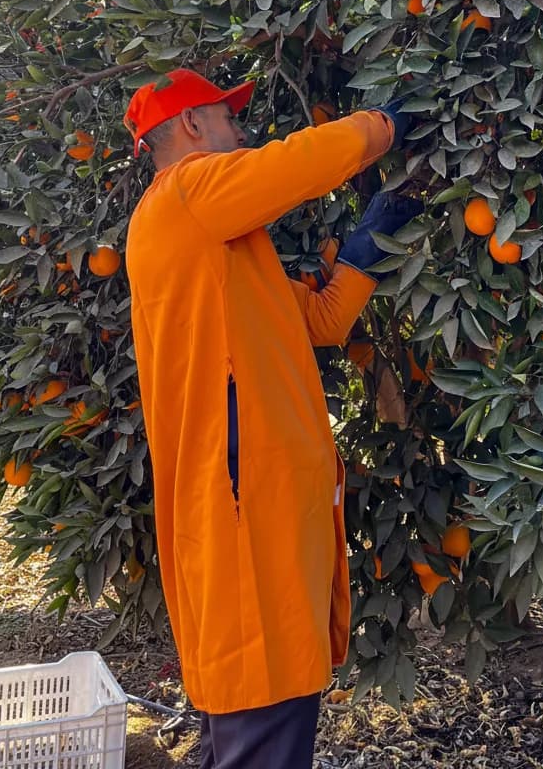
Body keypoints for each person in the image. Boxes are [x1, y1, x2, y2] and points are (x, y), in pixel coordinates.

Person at [123, 68, 420, 769]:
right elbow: (295, 166)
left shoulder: (215, 247)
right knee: (262, 720)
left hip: (256, 517)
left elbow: (319, 318)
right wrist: (387, 126)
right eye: (229, 117)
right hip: (243, 518)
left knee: (256, 720)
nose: (242, 129)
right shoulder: (185, 195)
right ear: (193, 125)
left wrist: (365, 247)